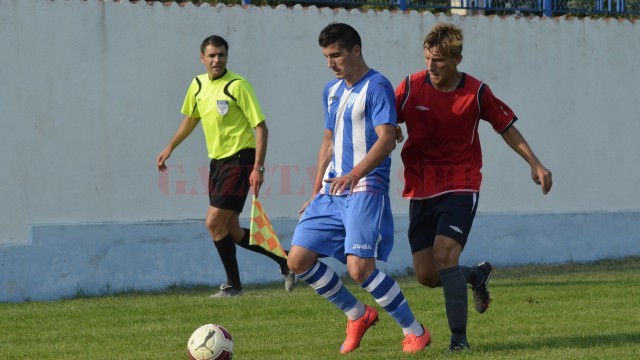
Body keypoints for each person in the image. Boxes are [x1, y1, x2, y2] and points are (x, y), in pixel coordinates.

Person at [394, 22, 553, 352]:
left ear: (457, 59)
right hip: (421, 186)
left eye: (438, 60)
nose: (431, 66)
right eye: (427, 58)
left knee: (444, 255)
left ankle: (459, 341)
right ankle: (475, 276)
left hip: (461, 183)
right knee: (426, 274)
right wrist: (390, 130)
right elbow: (382, 119)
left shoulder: (477, 92)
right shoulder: (410, 87)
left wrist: (534, 162)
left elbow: (506, 127)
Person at [286, 23, 431, 354]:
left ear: (355, 50)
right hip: (332, 189)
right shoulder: (332, 90)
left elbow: (387, 139)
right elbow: (328, 141)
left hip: (366, 187)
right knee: (297, 259)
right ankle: (358, 314)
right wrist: (315, 190)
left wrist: (353, 174)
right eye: (325, 56)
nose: (330, 63)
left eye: (336, 54)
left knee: (359, 269)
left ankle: (416, 331)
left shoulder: (377, 86)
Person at [156, 35, 295, 298]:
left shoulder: (238, 85)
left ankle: (234, 286)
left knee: (213, 222)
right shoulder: (197, 85)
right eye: (212, 55)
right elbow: (191, 119)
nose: (217, 60)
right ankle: (286, 260)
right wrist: (170, 147)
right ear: (202, 58)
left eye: (221, 55)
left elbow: (260, 127)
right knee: (230, 230)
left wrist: (259, 168)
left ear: (226, 57)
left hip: (241, 160)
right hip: (218, 163)